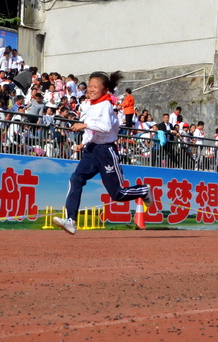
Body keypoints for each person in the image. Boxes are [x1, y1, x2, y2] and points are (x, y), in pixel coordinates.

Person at [53, 71, 153, 235]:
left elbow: (105, 127)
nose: (90, 89)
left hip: (106, 151)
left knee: (117, 194)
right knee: (76, 178)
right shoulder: (90, 105)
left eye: (95, 87)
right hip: (92, 149)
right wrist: (82, 143)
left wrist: (84, 125)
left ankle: (143, 191)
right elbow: (93, 131)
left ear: (105, 89)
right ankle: (71, 220)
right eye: (89, 86)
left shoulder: (106, 105)